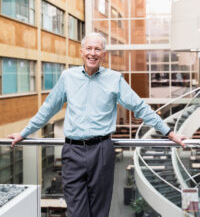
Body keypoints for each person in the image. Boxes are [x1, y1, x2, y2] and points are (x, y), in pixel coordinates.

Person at [8, 32, 186, 217]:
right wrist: (24, 133)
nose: (93, 53)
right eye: (89, 48)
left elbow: (139, 107)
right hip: (72, 151)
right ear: (81, 52)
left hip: (102, 150)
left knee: (99, 212)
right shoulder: (68, 77)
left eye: (97, 49)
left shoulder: (114, 78)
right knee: (77, 212)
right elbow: (48, 109)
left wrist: (169, 133)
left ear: (104, 54)